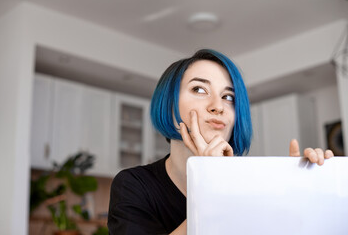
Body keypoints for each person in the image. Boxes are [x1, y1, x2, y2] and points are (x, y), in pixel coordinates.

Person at [107, 49, 334, 235]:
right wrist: (209, 186)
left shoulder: (254, 186)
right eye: (199, 89)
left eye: (228, 97)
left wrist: (304, 198)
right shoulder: (132, 185)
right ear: (169, 105)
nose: (218, 106)